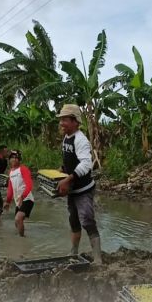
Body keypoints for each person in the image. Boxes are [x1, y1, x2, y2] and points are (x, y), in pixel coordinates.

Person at [56, 104, 102, 265]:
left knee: (88, 221)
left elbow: (86, 165)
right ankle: (73, 252)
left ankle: (97, 259)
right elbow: (70, 159)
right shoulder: (67, 137)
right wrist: (62, 170)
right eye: (61, 119)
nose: (62, 123)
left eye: (65, 120)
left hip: (83, 189)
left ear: (75, 121)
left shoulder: (80, 139)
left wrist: (68, 179)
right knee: (74, 222)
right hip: (72, 190)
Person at [3, 150, 34, 237]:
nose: (14, 159)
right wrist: (8, 201)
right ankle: (21, 240)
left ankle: (22, 240)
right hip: (18, 201)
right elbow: (10, 188)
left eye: (16, 158)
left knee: (18, 218)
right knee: (16, 223)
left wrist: (22, 197)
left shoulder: (23, 169)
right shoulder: (11, 172)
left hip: (27, 199)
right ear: (9, 159)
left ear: (19, 159)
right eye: (12, 157)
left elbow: (29, 185)